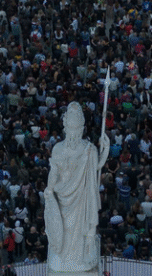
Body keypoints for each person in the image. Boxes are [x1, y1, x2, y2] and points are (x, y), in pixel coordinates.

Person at [44, 102, 109, 273]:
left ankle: (80, 257)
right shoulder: (58, 149)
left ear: (81, 129)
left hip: (81, 198)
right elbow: (54, 172)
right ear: (66, 128)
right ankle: (65, 258)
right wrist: (49, 189)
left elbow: (96, 168)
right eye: (71, 129)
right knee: (64, 230)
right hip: (62, 198)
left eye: (77, 130)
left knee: (80, 230)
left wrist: (106, 150)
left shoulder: (89, 149)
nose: (74, 134)